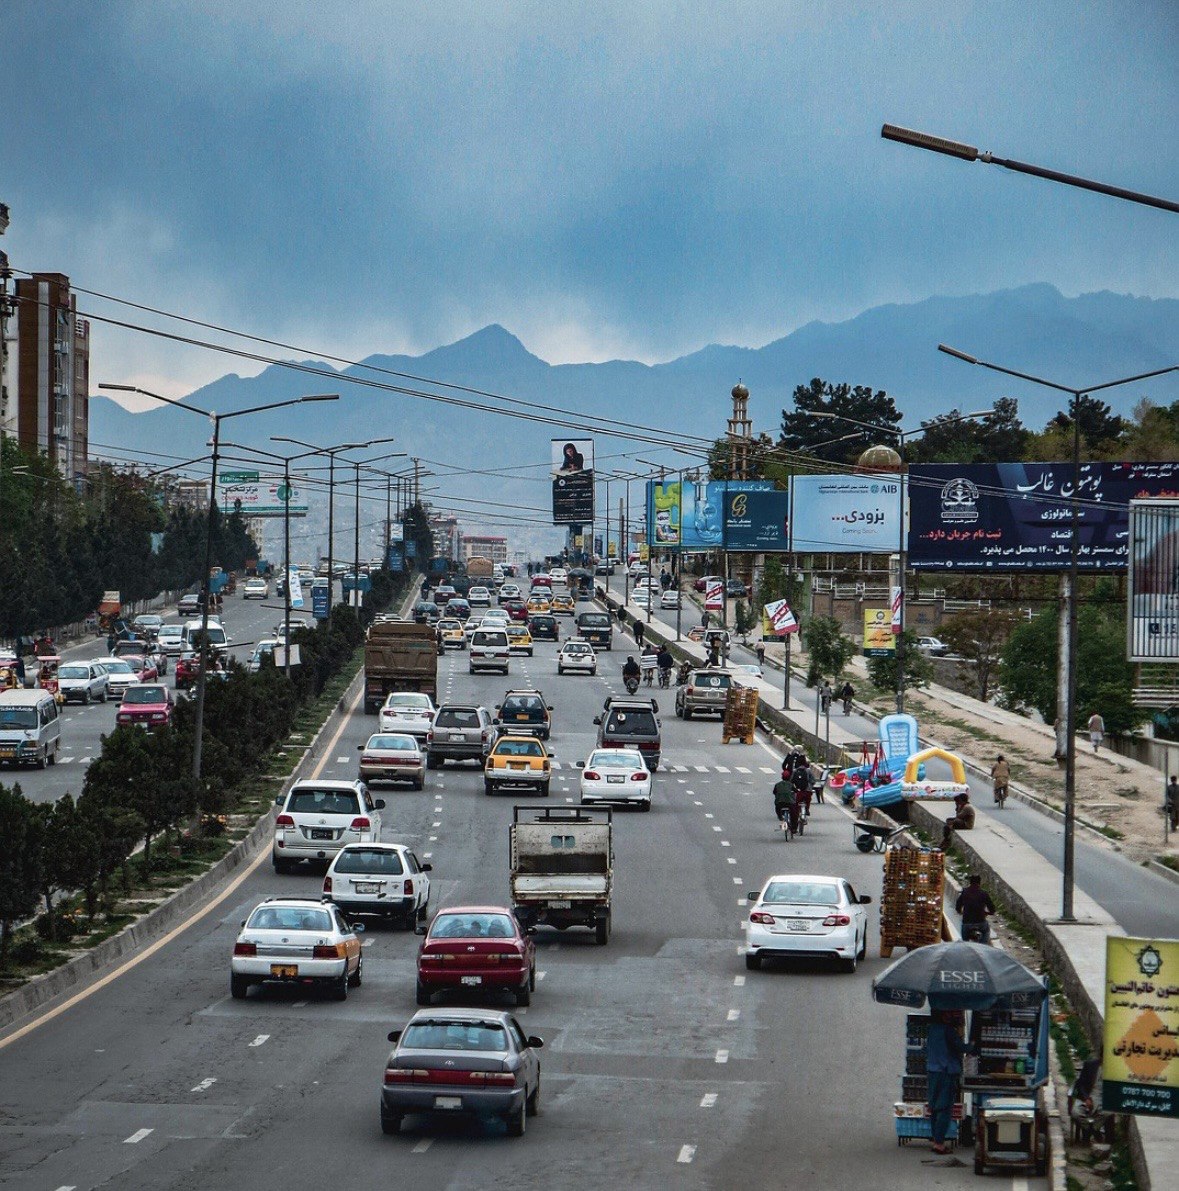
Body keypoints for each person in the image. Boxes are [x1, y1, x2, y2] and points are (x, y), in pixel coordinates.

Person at [926, 1009, 975, 1155]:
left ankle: (936, 1139)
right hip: (945, 1071)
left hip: (933, 1070)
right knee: (945, 1107)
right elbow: (960, 1047)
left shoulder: (932, 1029)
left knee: (934, 1106)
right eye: (947, 1014)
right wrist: (972, 1044)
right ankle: (939, 1144)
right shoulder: (948, 1031)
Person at [955, 874, 995, 944]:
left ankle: (965, 944)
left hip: (967, 923)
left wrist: (960, 911)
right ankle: (983, 946)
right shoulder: (984, 894)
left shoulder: (965, 892)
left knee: (965, 941)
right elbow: (992, 909)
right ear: (979, 883)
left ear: (970, 882)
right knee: (986, 932)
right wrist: (987, 913)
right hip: (980, 923)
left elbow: (958, 905)